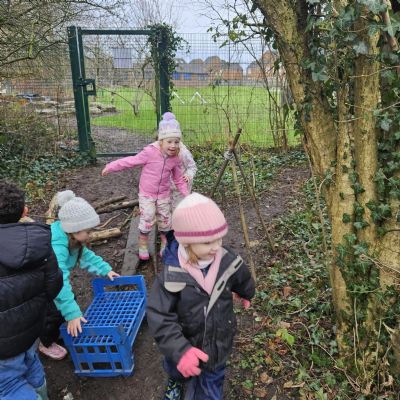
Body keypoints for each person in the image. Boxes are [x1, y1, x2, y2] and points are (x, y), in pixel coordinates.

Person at [147, 193, 255, 400]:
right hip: (185, 340)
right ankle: (175, 380)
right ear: (187, 242)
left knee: (211, 387)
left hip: (218, 341)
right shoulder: (171, 276)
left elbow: (242, 276)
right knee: (177, 370)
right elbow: (159, 316)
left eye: (219, 238)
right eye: (207, 242)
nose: (216, 247)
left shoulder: (227, 260)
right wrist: (180, 351)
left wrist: (246, 292)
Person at [0, 180, 63, 400]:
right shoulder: (40, 242)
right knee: (31, 363)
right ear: (24, 211)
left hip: (3, 346)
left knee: (8, 385)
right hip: (31, 330)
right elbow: (54, 286)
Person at [102, 112, 189, 261]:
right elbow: (130, 161)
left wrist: (187, 195)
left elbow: (179, 179)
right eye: (169, 141)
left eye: (176, 142)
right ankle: (143, 243)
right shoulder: (149, 152)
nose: (173, 145)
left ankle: (165, 242)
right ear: (161, 141)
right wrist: (111, 166)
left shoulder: (175, 158)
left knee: (165, 219)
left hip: (163, 194)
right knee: (147, 216)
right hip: (147, 194)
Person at [50, 190, 120, 338]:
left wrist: (105, 270)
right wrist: (72, 313)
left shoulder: (70, 236)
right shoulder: (57, 247)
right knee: (50, 313)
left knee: (65, 304)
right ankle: (47, 342)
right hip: (42, 285)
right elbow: (59, 280)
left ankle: (64, 328)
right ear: (75, 230)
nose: (90, 234)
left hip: (53, 281)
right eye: (88, 231)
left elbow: (85, 256)